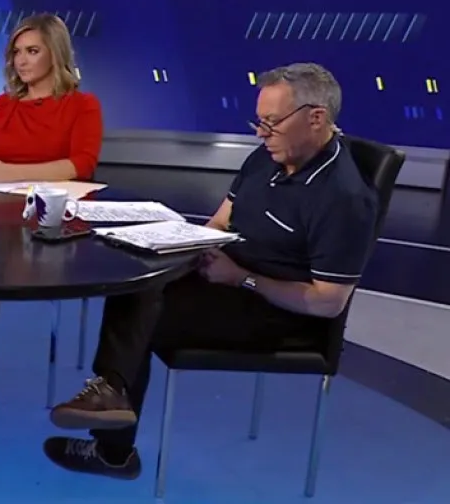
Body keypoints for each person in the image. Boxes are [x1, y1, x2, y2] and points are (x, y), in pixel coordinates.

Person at [44, 63, 377, 481]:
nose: (261, 133)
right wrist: (182, 246)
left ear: (316, 118)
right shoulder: (268, 157)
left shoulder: (344, 198)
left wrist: (241, 278)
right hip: (230, 278)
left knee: (147, 310)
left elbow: (327, 302)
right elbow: (221, 221)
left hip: (280, 312)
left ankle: (113, 435)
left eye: (272, 122)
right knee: (139, 276)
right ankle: (112, 402)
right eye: (259, 121)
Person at [0, 13, 103, 416]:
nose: (21, 60)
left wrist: (13, 172)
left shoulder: (82, 105)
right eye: (17, 52)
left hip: (54, 220)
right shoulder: (1, 106)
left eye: (32, 51)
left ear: (55, 53)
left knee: (0, 261)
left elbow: (81, 165)